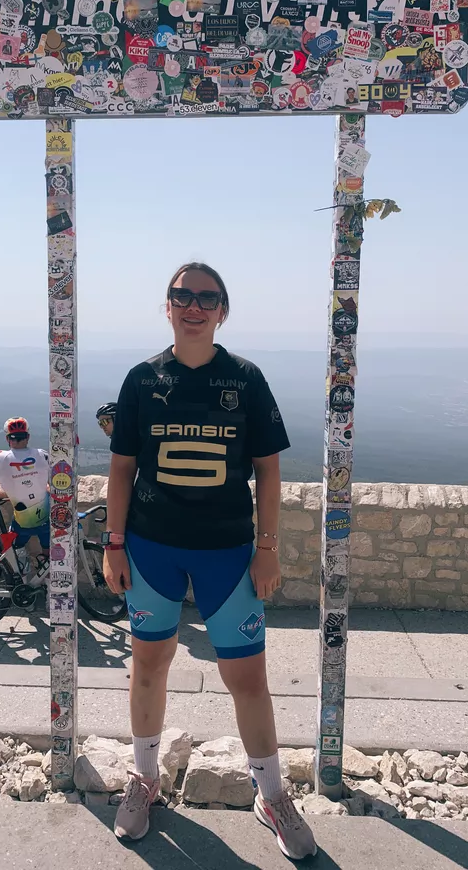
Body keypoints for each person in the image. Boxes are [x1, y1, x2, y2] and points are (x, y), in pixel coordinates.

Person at [103, 262, 317, 859]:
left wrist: (267, 548)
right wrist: (113, 545)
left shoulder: (246, 379)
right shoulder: (142, 379)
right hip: (151, 549)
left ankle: (271, 794)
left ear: (223, 310)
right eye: (182, 296)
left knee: (247, 678)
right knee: (149, 666)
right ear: (166, 306)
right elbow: (121, 468)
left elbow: (269, 471)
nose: (193, 306)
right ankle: (145, 779)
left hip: (229, 553)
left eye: (207, 297)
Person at [0, 417, 50, 583]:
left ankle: (24, 588)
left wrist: (10, 493)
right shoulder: (43, 455)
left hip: (21, 522)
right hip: (45, 519)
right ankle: (49, 587)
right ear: (27, 437)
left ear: (8, 439)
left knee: (16, 549)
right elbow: (52, 486)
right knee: (50, 553)